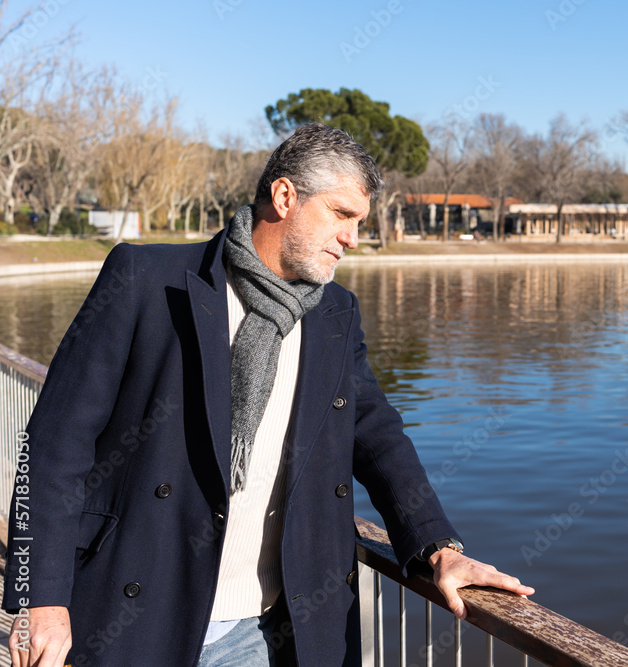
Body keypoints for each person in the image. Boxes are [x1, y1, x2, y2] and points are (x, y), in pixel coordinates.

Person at [3, 123, 533, 667]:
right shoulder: (146, 279)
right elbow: (52, 445)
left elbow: (375, 433)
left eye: (360, 222)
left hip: (269, 626)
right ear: (285, 197)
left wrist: (438, 548)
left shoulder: (334, 313)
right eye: (342, 214)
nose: (353, 237)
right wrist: (38, 596)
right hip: (137, 608)